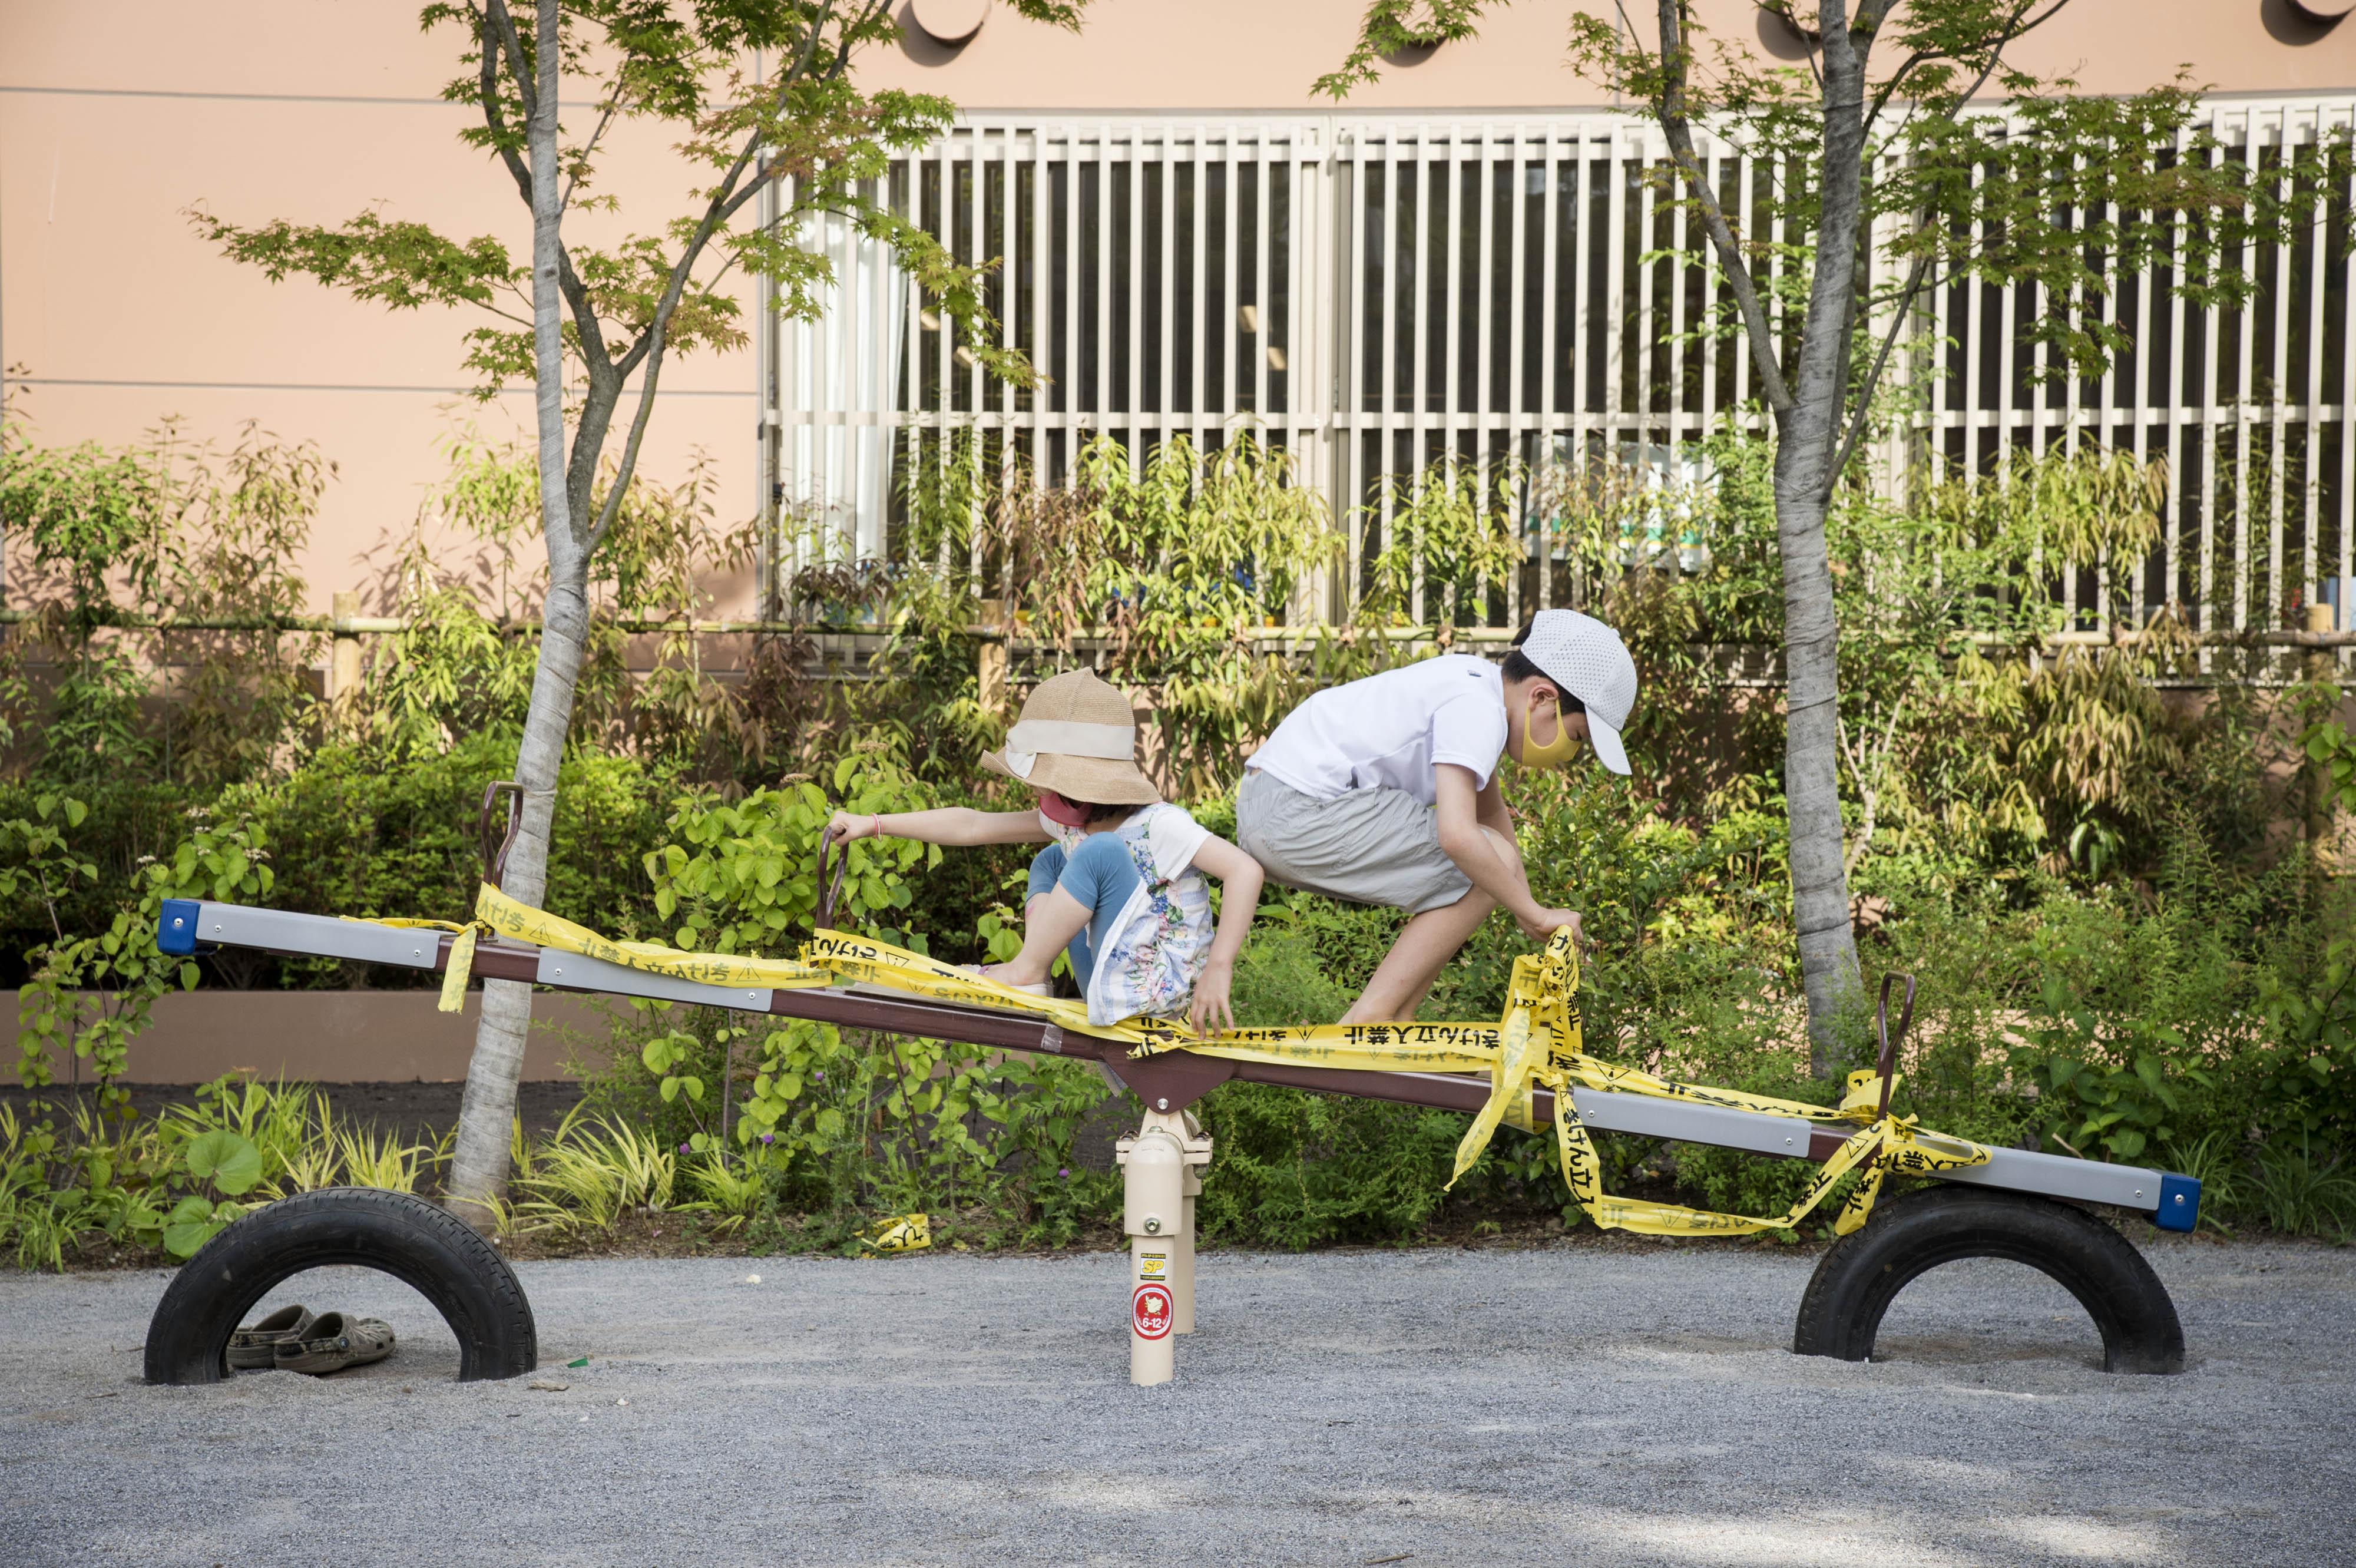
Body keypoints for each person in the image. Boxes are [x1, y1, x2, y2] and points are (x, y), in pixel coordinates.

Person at [1236, 608, 1637, 1024]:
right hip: (1298, 811)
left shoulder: (1477, 688)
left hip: (1277, 809)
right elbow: (1459, 837)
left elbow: (1491, 812)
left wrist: (1527, 907)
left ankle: (1397, 1017)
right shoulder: (1477, 708)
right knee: (1483, 856)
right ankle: (1371, 1016)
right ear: (1541, 697)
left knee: (1493, 859)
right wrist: (1535, 915)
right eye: (1576, 738)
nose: (1569, 755)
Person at [825, 669, 1263, 1034]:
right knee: (1054, 859)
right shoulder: (1076, 823)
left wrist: (1218, 968)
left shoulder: (1159, 825)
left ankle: (1024, 971)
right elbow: (975, 824)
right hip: (1106, 978)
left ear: (1080, 788)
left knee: (1099, 854)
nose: (1033, 789)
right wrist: (875, 825)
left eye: (1042, 780)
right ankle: (1031, 972)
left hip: (1158, 994)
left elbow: (1244, 871)